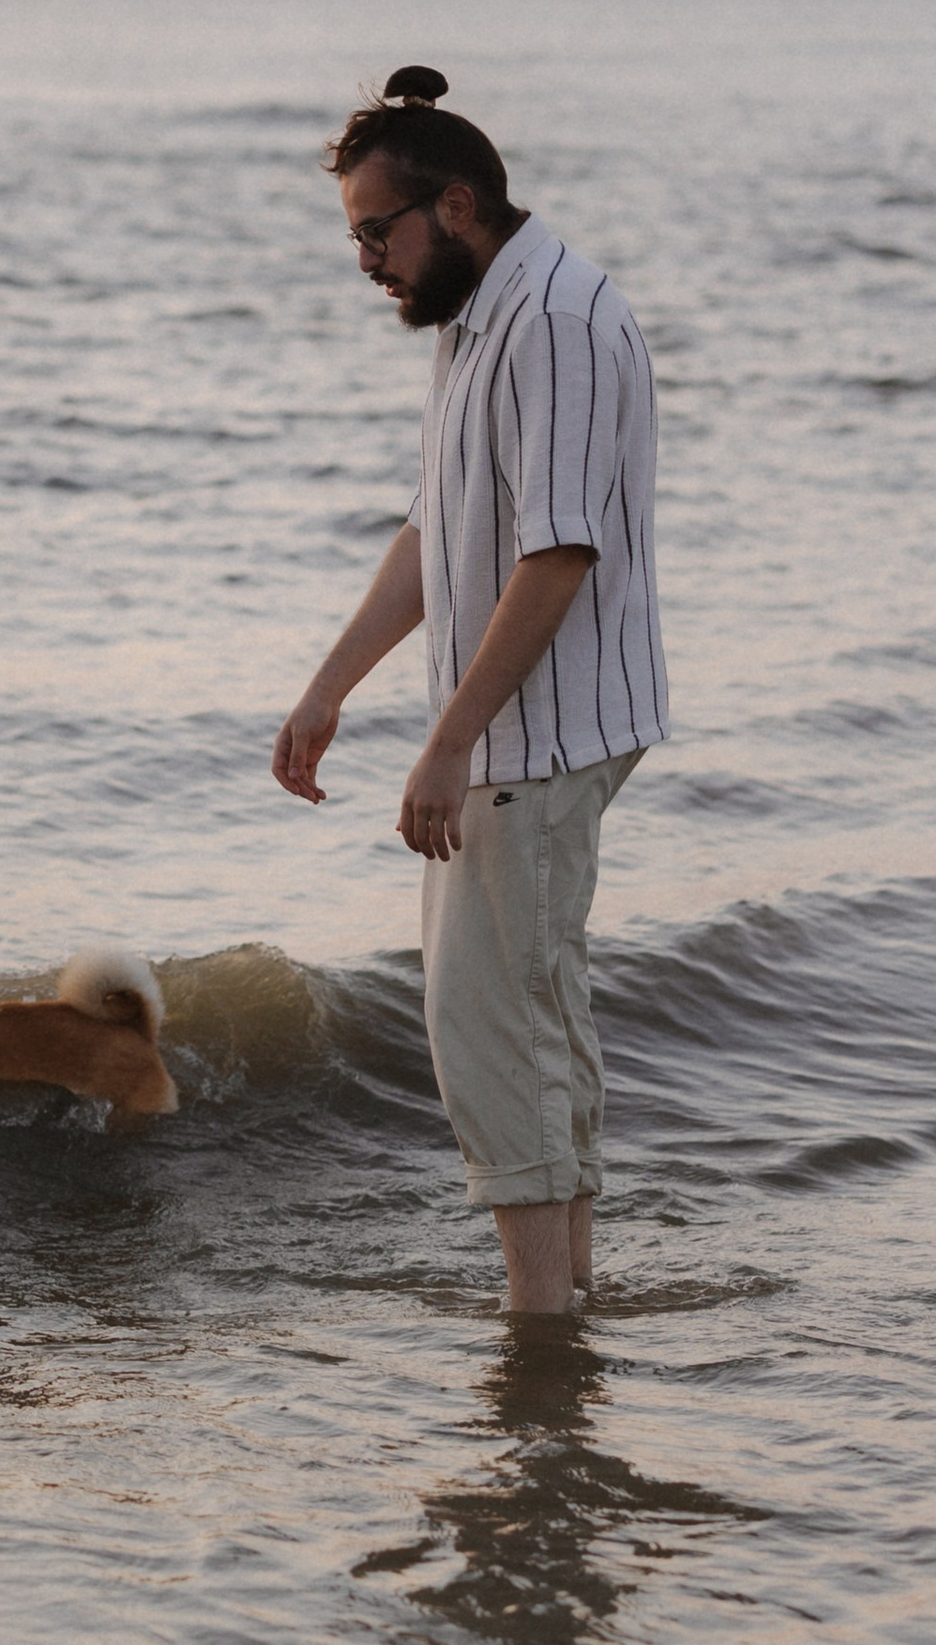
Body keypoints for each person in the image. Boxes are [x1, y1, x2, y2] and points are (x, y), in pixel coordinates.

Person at [271, 69, 666, 1317]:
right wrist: (331, 687)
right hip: (520, 729)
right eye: (353, 239)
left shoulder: (550, 318)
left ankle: (539, 1331)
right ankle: (566, 1300)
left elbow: (555, 558)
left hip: (537, 736)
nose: (365, 263)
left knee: (491, 1035)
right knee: (529, 1016)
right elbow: (438, 532)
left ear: (453, 205)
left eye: (375, 233)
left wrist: (447, 745)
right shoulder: (476, 315)